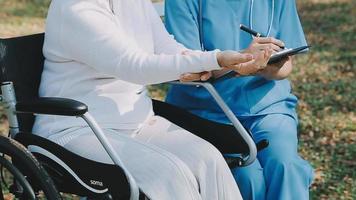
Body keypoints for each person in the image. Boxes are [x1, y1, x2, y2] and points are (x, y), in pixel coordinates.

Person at [32, 0, 273, 199]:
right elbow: (135, 66)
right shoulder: (74, 8)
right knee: (169, 173)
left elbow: (169, 50)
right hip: (78, 128)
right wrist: (216, 59)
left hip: (137, 121)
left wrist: (232, 59)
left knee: (208, 158)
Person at [165, 0, 315, 199]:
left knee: (286, 166)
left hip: (269, 107)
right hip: (204, 110)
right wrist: (242, 59)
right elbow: (186, 68)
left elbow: (285, 69)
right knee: (247, 176)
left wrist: (268, 65)